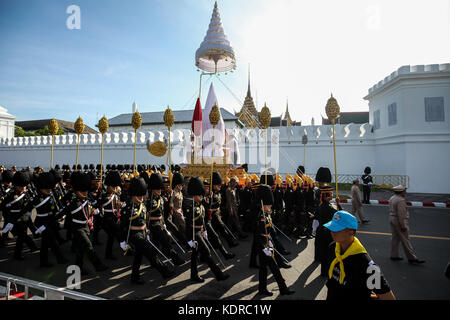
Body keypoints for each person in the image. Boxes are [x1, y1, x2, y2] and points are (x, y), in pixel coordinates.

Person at [324, 210, 396, 300]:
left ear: (351, 232)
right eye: (331, 227)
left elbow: (388, 297)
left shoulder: (366, 263)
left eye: (337, 228)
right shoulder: (333, 248)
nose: (332, 231)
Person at [119, 177, 175, 284]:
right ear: (133, 194)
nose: (141, 197)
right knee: (151, 254)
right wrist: (122, 241)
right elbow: (123, 225)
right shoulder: (128, 207)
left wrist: (147, 232)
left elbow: (145, 222)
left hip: (143, 233)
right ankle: (164, 271)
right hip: (134, 235)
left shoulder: (143, 206)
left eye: (142, 195)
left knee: (138, 257)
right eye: (138, 195)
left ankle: (134, 277)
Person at [56, 171, 108, 275]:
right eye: (82, 191)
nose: (85, 193)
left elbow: (94, 206)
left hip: (86, 226)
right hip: (78, 227)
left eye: (85, 190)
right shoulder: (74, 202)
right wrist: (56, 218)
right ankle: (98, 265)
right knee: (89, 246)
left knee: (81, 250)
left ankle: (78, 268)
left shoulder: (87, 198)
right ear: (76, 190)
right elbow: (63, 212)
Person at [183, 176, 230, 283]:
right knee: (207, 252)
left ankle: (194, 275)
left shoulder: (201, 206)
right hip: (195, 234)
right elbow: (188, 224)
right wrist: (189, 239)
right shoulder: (191, 207)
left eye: (201, 194)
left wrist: (204, 231)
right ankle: (219, 274)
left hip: (200, 232)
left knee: (195, 255)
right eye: (199, 195)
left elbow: (203, 219)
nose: (201, 196)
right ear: (194, 195)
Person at [255, 184, 295, 296]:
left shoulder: (266, 215)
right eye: (268, 205)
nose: (270, 207)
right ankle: (283, 288)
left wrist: (270, 240)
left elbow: (269, 230)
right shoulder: (261, 216)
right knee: (274, 268)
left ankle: (262, 288)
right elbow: (259, 234)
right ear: (264, 205)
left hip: (267, 244)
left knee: (263, 268)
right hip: (264, 247)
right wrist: (265, 247)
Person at [32, 172, 69, 267]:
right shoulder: (37, 199)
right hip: (41, 222)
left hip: (50, 221)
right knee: (52, 241)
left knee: (45, 243)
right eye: (46, 189)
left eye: (49, 188)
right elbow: (26, 209)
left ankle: (43, 262)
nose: (49, 190)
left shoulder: (50, 195)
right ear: (40, 188)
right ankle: (60, 258)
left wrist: (60, 213)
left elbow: (54, 207)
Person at [0, 171, 39, 259]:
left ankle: (21, 252)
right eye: (21, 186)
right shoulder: (10, 196)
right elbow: (3, 207)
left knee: (21, 238)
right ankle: (28, 249)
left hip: (24, 219)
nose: (23, 188)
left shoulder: (26, 194)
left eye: (24, 186)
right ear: (15, 185)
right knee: (22, 236)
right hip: (14, 220)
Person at [313, 167, 342, 276]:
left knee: (318, 243)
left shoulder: (318, 193)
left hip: (319, 222)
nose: (332, 195)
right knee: (328, 252)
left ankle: (318, 257)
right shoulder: (330, 208)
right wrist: (338, 205)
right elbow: (339, 216)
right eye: (330, 194)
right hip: (327, 230)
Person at [389, 185, 425, 264]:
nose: (405, 193)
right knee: (405, 240)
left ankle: (394, 255)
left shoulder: (392, 198)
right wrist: (403, 226)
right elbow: (401, 214)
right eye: (404, 191)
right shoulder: (401, 200)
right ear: (401, 192)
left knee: (395, 238)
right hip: (399, 220)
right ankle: (412, 258)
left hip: (392, 218)